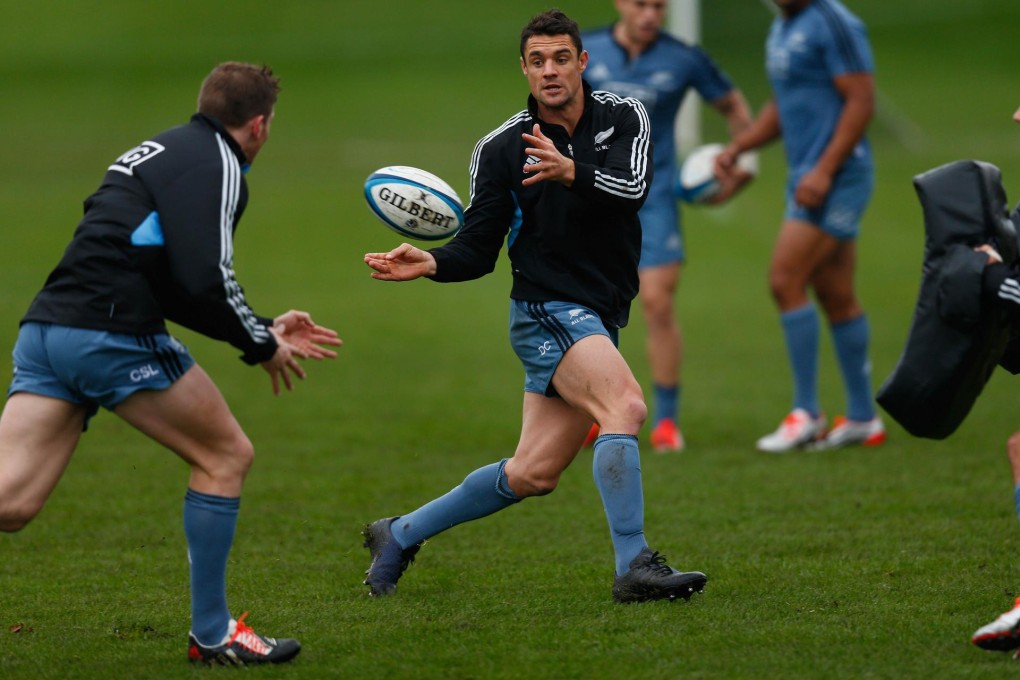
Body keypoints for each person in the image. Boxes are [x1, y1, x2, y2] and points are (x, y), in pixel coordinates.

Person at [0, 62, 341, 666]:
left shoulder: (156, 150)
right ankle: (213, 635)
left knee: (11, 504)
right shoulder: (221, 164)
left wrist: (259, 326)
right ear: (259, 125)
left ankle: (213, 634)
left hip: (48, 330)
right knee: (226, 455)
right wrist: (262, 347)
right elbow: (205, 277)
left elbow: (171, 277)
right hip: (111, 336)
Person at [361, 9, 706, 604]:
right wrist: (432, 261)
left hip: (599, 312)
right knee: (623, 405)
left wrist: (572, 171)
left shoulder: (625, 117)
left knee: (533, 473)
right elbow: (478, 246)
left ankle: (399, 533)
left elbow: (632, 189)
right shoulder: (499, 150)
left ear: (582, 63)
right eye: (538, 60)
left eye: (561, 58)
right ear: (524, 68)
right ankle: (634, 565)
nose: (550, 71)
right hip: (546, 310)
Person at [582, 0, 754, 452]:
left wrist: (742, 164)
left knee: (657, 303)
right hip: (592, 198)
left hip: (654, 199)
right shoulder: (585, 51)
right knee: (591, 309)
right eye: (641, 4)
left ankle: (667, 422)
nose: (650, 14)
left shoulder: (684, 58)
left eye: (659, 6)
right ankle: (599, 412)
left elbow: (734, 105)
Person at [715, 0, 886, 452]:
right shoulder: (783, 26)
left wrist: (825, 170)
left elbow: (861, 99)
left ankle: (807, 413)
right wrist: (742, 144)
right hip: (810, 177)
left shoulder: (834, 22)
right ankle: (863, 418)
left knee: (785, 279)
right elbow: (784, 101)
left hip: (836, 178)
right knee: (836, 295)